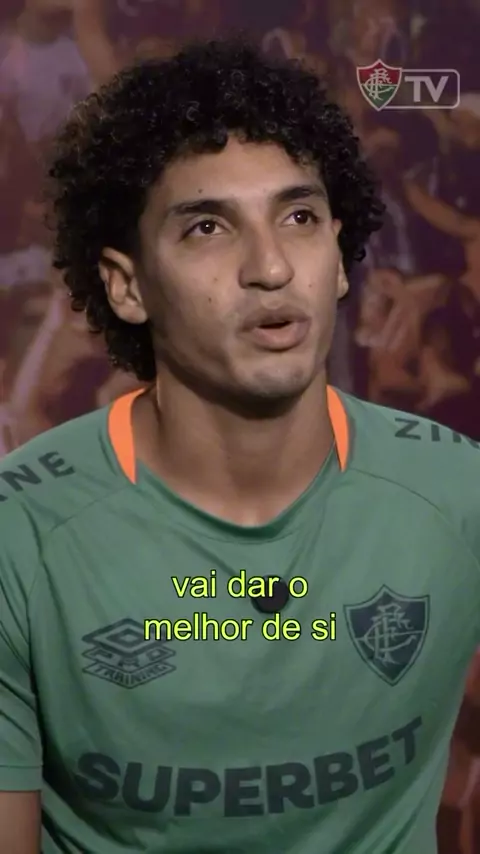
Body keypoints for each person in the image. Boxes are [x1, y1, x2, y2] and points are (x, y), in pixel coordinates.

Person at [0, 37, 479, 854]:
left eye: (299, 218)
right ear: (127, 285)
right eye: (207, 227)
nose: (270, 267)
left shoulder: (458, 494)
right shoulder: (21, 535)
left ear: (339, 258)